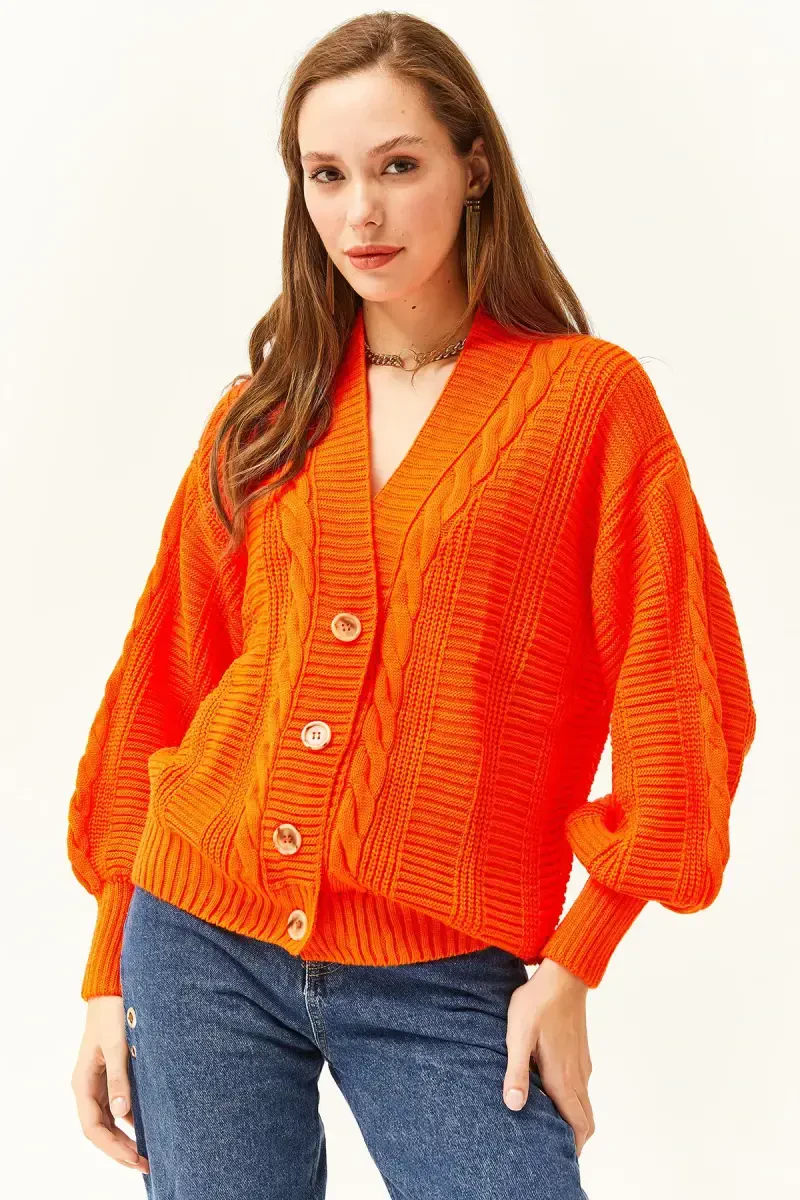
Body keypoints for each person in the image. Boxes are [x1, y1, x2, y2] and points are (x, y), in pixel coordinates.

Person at [67, 12, 756, 1199]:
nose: (360, 215)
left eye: (396, 166)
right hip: (195, 945)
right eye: (325, 176)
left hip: (441, 975)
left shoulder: (584, 403)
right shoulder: (264, 414)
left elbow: (679, 687)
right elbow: (160, 690)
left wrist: (575, 962)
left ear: (472, 166)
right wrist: (103, 976)